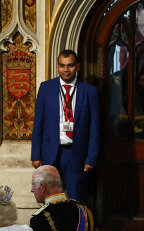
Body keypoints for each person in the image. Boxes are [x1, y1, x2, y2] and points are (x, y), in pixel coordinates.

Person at [31, 49, 99, 202]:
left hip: (76, 154)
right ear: (57, 67)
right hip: (50, 153)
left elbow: (95, 128)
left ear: (78, 66)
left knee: (76, 199)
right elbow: (38, 124)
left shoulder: (89, 91)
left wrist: (91, 157)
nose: (66, 70)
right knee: (50, 199)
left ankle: (77, 226)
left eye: (70, 65)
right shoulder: (45, 88)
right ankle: (51, 226)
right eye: (62, 66)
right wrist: (36, 154)